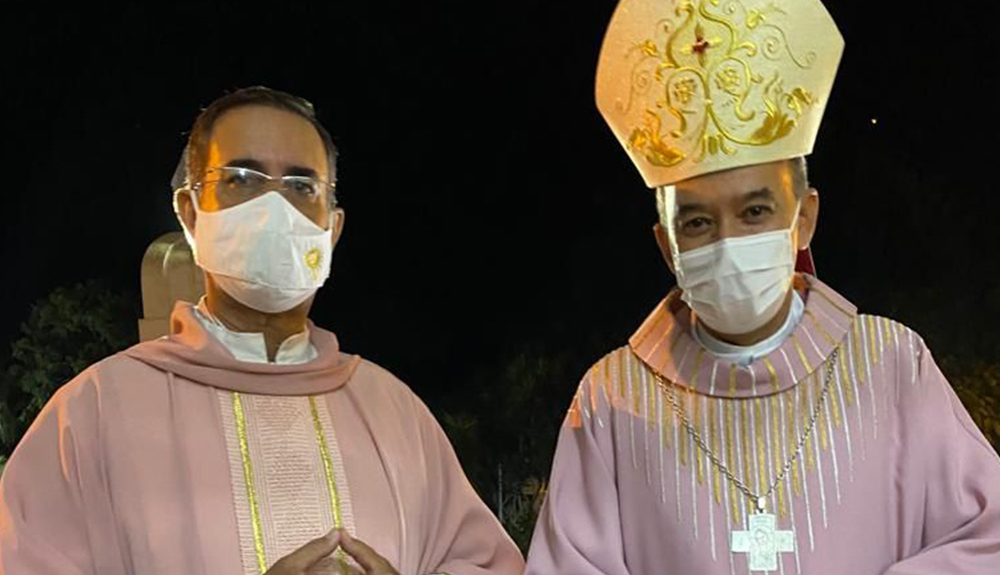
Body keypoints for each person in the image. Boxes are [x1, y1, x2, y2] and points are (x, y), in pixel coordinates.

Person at [523, 0, 1000, 573]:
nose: (727, 242)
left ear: (804, 218)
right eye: (697, 223)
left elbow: (987, 538)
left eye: (754, 211)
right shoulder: (610, 399)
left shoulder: (892, 363)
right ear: (665, 244)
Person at [0, 87, 524, 575]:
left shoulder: (396, 413)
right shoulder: (91, 414)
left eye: (301, 186)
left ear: (332, 228)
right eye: (242, 179)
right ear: (190, 212)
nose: (275, 208)